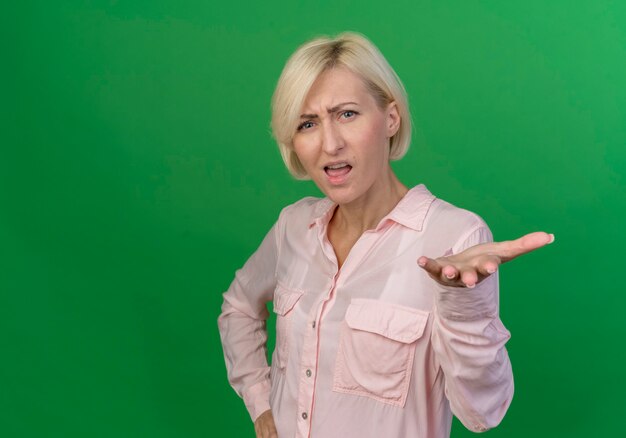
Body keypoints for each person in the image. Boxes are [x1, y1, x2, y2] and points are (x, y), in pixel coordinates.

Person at [217, 32, 554, 438]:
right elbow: (238, 307)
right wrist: (261, 404)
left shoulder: (455, 236)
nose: (330, 143)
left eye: (347, 114)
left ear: (390, 118)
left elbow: (484, 411)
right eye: (308, 123)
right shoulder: (294, 225)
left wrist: (464, 304)